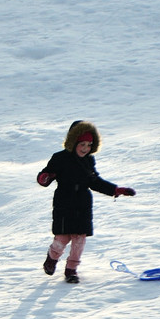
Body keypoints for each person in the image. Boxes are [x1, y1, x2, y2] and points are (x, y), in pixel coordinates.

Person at [37, 121, 135, 283]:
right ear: (73, 142)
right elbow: (46, 175)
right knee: (61, 239)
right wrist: (44, 178)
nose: (85, 148)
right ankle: (52, 258)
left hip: (82, 205)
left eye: (89, 145)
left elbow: (95, 181)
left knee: (79, 240)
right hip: (64, 203)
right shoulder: (59, 158)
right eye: (82, 144)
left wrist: (116, 190)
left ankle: (71, 270)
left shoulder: (88, 161)